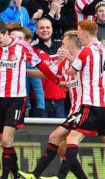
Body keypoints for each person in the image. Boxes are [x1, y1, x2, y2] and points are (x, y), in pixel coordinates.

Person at [23, 20, 105, 179]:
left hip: (88, 106)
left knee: (69, 140)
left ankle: (58, 176)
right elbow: (51, 73)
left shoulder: (84, 53)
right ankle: (38, 175)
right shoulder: (102, 49)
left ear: (83, 34)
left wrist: (68, 62)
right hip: (96, 103)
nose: (61, 47)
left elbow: (72, 72)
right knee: (61, 143)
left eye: (64, 44)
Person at [0, 20, 61, 178]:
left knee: (6, 139)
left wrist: (56, 80)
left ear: (6, 34)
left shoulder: (22, 46)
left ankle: (5, 175)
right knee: (5, 142)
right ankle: (17, 174)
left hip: (17, 99)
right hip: (0, 99)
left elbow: (40, 65)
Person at [18, 30, 88, 179]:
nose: (60, 46)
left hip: (87, 109)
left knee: (56, 138)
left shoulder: (86, 58)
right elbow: (47, 73)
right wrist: (24, 70)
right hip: (75, 110)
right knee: (62, 148)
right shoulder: (65, 63)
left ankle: (39, 175)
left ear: (70, 45)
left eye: (63, 44)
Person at [32, 17, 66, 118]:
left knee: (60, 133)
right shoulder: (32, 48)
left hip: (60, 99)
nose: (45, 30)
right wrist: (58, 61)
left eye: (48, 27)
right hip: (40, 101)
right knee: (39, 133)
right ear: (36, 31)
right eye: (42, 28)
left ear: (52, 29)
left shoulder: (63, 45)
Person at [9, 26, 45, 117]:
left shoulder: (29, 59)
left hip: (23, 105)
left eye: (20, 38)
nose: (16, 41)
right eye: (13, 38)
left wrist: (40, 106)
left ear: (25, 41)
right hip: (2, 102)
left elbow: (37, 86)